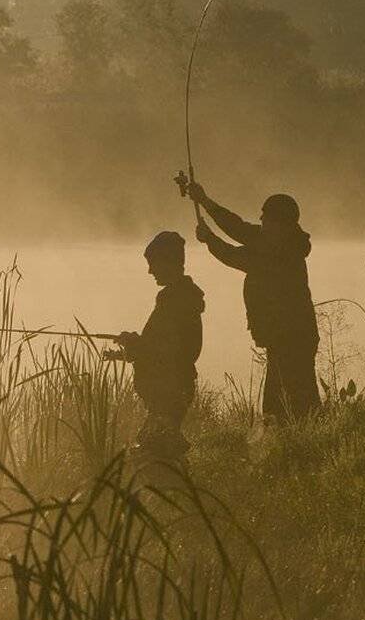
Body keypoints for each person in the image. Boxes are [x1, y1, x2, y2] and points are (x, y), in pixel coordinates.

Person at [182, 180, 320, 420]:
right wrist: (204, 200)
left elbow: (235, 256)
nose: (261, 220)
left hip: (292, 338)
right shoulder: (277, 241)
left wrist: (209, 239)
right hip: (287, 337)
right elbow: (238, 228)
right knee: (296, 405)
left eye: (266, 217)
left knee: (285, 408)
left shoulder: (281, 254)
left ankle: (298, 448)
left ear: (281, 224)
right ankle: (303, 443)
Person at [105, 231, 204, 458]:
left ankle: (176, 486)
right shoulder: (181, 297)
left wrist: (133, 343)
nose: (150, 271)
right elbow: (160, 346)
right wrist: (128, 348)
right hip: (174, 389)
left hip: (169, 390)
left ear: (169, 262)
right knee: (153, 446)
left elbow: (163, 351)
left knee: (155, 452)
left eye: (153, 264)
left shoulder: (174, 301)